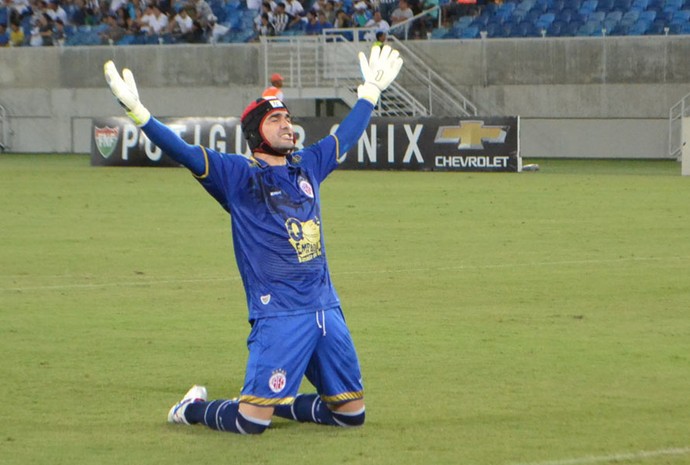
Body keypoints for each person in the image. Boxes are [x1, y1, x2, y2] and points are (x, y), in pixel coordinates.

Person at [102, 44, 403, 436]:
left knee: (350, 416)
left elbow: (344, 137)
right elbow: (185, 152)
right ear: (255, 131)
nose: (287, 125)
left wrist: (369, 94)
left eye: (288, 118)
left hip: (325, 309)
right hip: (278, 314)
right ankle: (191, 408)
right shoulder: (238, 176)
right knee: (248, 424)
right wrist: (140, 115)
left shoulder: (307, 165)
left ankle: (279, 403)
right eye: (275, 119)